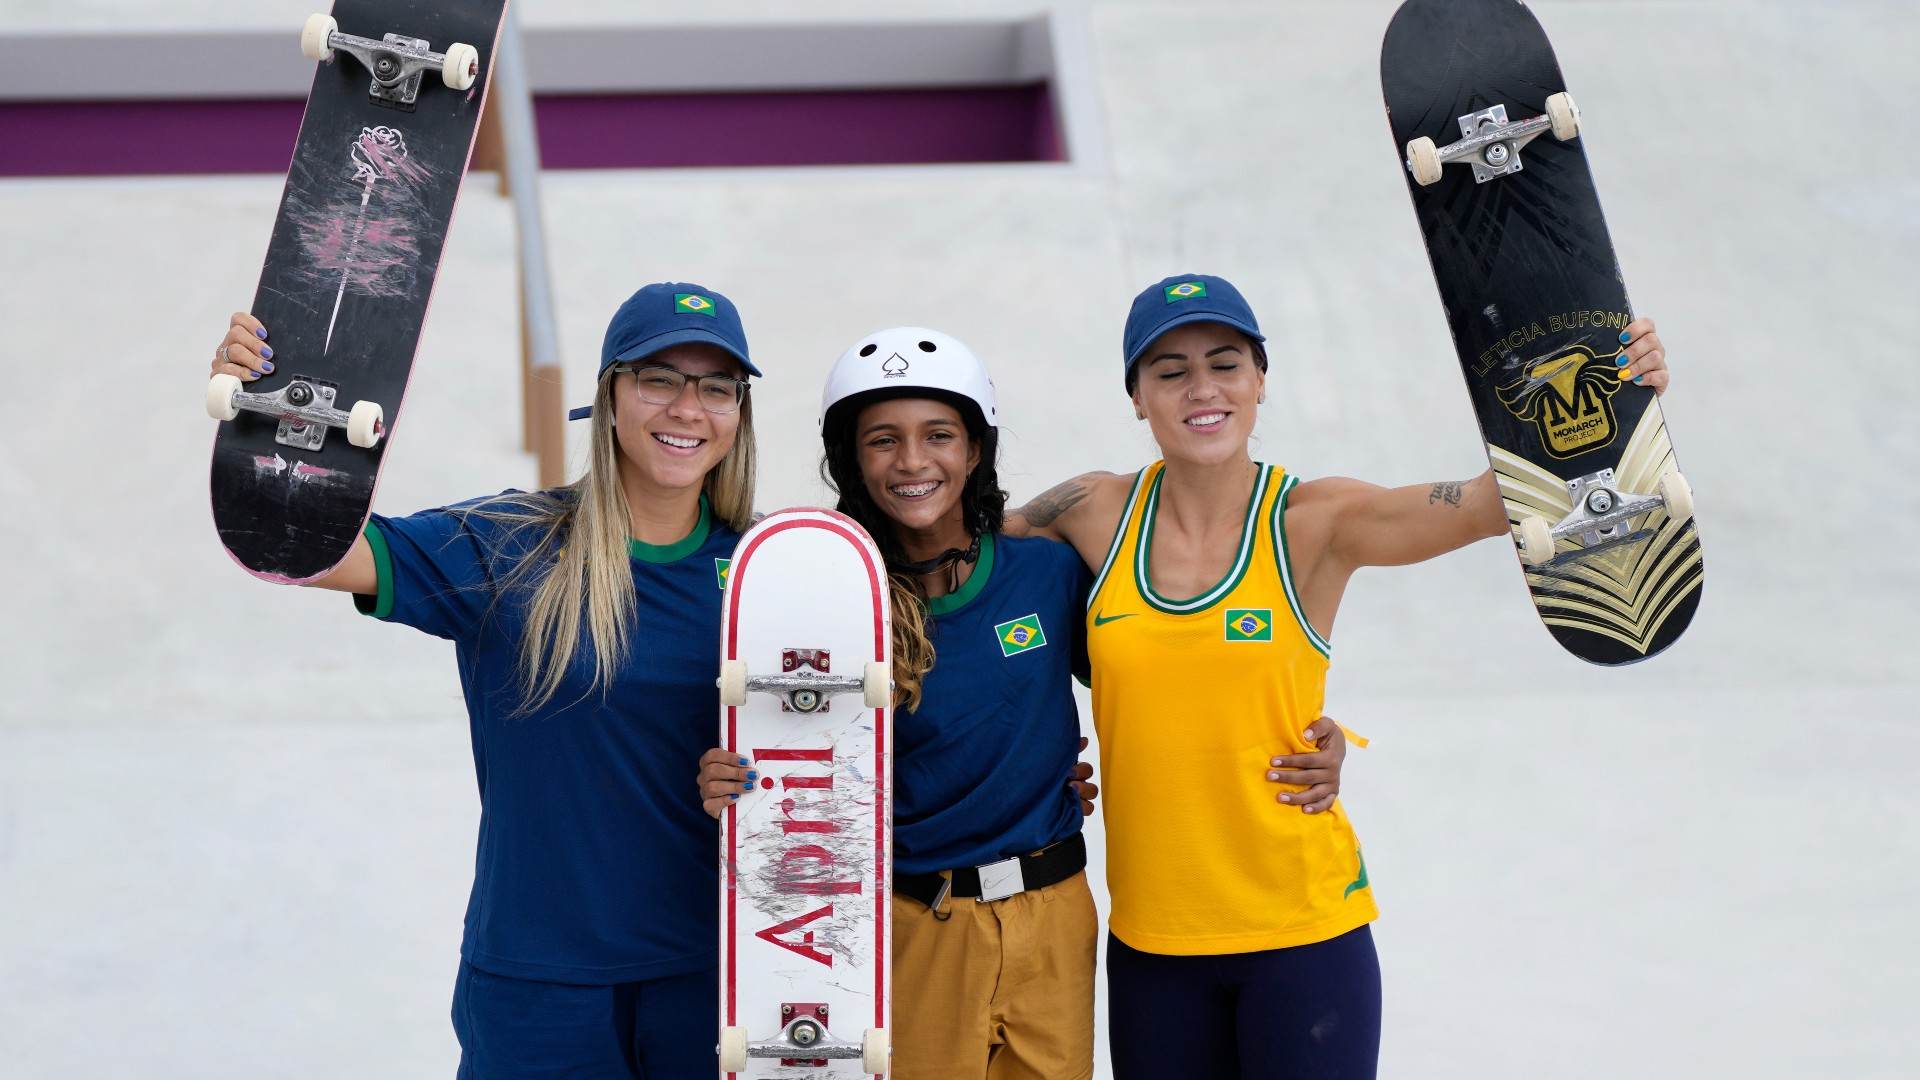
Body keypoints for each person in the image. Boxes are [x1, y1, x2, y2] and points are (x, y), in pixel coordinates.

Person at [1003, 273, 1674, 1078]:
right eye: (1170, 372)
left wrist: (1620, 400)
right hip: (1152, 944)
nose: (1201, 389)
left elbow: (1485, 502)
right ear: (1137, 397)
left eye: (1225, 364)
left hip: (1304, 937)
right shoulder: (1094, 510)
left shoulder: (1313, 522)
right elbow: (956, 550)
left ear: (1260, 382)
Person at [697, 326, 1351, 1080]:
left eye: (939, 434)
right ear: (851, 459)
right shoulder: (832, 596)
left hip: (1055, 916)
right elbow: (780, 747)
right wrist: (728, 779)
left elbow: (1165, 673)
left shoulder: (1046, 572)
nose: (913, 461)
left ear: (975, 450)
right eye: (883, 440)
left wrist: (1306, 731)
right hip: (917, 924)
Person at [209, 282, 762, 1079]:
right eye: (660, 379)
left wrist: (754, 781)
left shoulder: (769, 570)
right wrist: (270, 416)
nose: (688, 408)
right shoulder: (510, 545)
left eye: (717, 387)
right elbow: (307, 545)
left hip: (717, 975)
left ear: (738, 413)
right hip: (539, 984)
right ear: (611, 397)